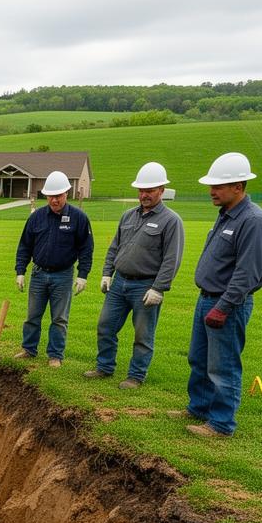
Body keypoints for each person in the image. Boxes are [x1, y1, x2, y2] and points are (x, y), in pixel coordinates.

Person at [185, 152, 262, 438]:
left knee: (223, 366)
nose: (212, 191)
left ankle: (221, 424)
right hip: (207, 299)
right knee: (199, 359)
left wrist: (223, 308)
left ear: (239, 187)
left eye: (219, 186)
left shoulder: (254, 221)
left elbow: (247, 274)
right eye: (211, 186)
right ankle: (199, 408)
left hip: (227, 304)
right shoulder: (226, 216)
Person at [83, 162, 184, 389]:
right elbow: (114, 247)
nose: (144, 195)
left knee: (143, 335)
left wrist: (159, 288)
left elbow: (171, 259)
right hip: (119, 283)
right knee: (106, 326)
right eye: (141, 190)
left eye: (149, 190)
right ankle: (104, 367)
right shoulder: (128, 216)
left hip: (145, 286)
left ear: (161, 190)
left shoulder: (171, 221)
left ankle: (135, 376)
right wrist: (107, 273)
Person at [14, 170, 94, 367]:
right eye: (50, 196)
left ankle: (55, 355)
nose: (54, 200)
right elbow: (25, 245)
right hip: (39, 273)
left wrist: (82, 275)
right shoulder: (37, 217)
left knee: (59, 318)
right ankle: (29, 349)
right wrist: (20, 271)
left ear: (67, 193)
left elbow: (86, 248)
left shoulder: (79, 218)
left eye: (58, 196)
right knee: (33, 315)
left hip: (63, 275)